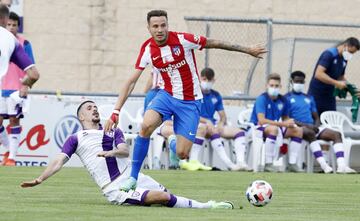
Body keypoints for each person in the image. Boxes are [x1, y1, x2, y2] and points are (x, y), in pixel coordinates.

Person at [104, 9, 267, 191]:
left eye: (163, 25)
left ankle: (173, 142)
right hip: (166, 96)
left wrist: (247, 50)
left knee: (182, 154)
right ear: (149, 28)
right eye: (155, 26)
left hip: (191, 102)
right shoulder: (148, 49)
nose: (160, 30)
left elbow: (215, 43)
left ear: (168, 25)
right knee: (145, 126)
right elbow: (132, 81)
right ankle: (133, 177)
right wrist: (116, 111)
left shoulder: (183, 40)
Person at [21, 101, 234, 209]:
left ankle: (203, 205)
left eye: (95, 107)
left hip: (133, 177)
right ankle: (207, 205)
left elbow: (124, 150)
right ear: (81, 116)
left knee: (168, 197)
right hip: (114, 187)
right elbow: (59, 161)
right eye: (89, 108)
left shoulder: (113, 130)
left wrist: (111, 151)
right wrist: (40, 178)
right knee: (164, 198)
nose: (94, 110)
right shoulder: (76, 137)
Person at [286, 71, 356, 174]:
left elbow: (316, 116)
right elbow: (287, 119)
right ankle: (324, 166)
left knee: (336, 134)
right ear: (291, 82)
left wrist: (316, 125)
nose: (299, 84)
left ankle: (341, 166)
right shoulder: (286, 98)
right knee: (309, 133)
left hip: (312, 127)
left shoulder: (309, 97)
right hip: (298, 128)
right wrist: (307, 126)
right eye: (297, 81)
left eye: (301, 82)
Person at [188, 68, 250, 171]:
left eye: (209, 80)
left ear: (213, 80)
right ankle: (230, 165)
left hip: (213, 125)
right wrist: (207, 121)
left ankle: (241, 162)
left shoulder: (216, 95)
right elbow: (191, 114)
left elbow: (223, 116)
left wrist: (221, 124)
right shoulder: (194, 93)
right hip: (198, 125)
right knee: (207, 129)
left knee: (239, 132)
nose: (207, 82)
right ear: (200, 79)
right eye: (204, 79)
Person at [0, 4, 39, 165]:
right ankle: (9, 149)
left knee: (14, 120)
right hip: (2, 88)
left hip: (15, 89)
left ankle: (12, 158)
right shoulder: (11, 41)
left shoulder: (23, 43)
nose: (11, 27)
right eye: (9, 24)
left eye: (14, 24)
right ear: (5, 20)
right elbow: (34, 74)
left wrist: (23, 86)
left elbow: (30, 68)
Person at [250, 73, 303, 172]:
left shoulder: (283, 100)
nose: (274, 88)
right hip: (258, 128)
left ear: (280, 87)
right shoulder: (262, 99)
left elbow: (285, 118)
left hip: (275, 127)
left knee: (298, 130)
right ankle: (268, 164)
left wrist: (290, 123)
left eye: (276, 86)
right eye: (271, 85)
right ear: (267, 86)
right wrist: (283, 124)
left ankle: (291, 164)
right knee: (274, 129)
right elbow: (261, 120)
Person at [308, 37, 360, 116]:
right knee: (314, 121)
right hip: (317, 94)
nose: (351, 55)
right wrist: (336, 83)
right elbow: (318, 74)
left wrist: (351, 88)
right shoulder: (329, 54)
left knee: (331, 119)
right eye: (350, 52)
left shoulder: (344, 59)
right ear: (345, 45)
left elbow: (341, 77)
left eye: (353, 53)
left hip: (330, 95)